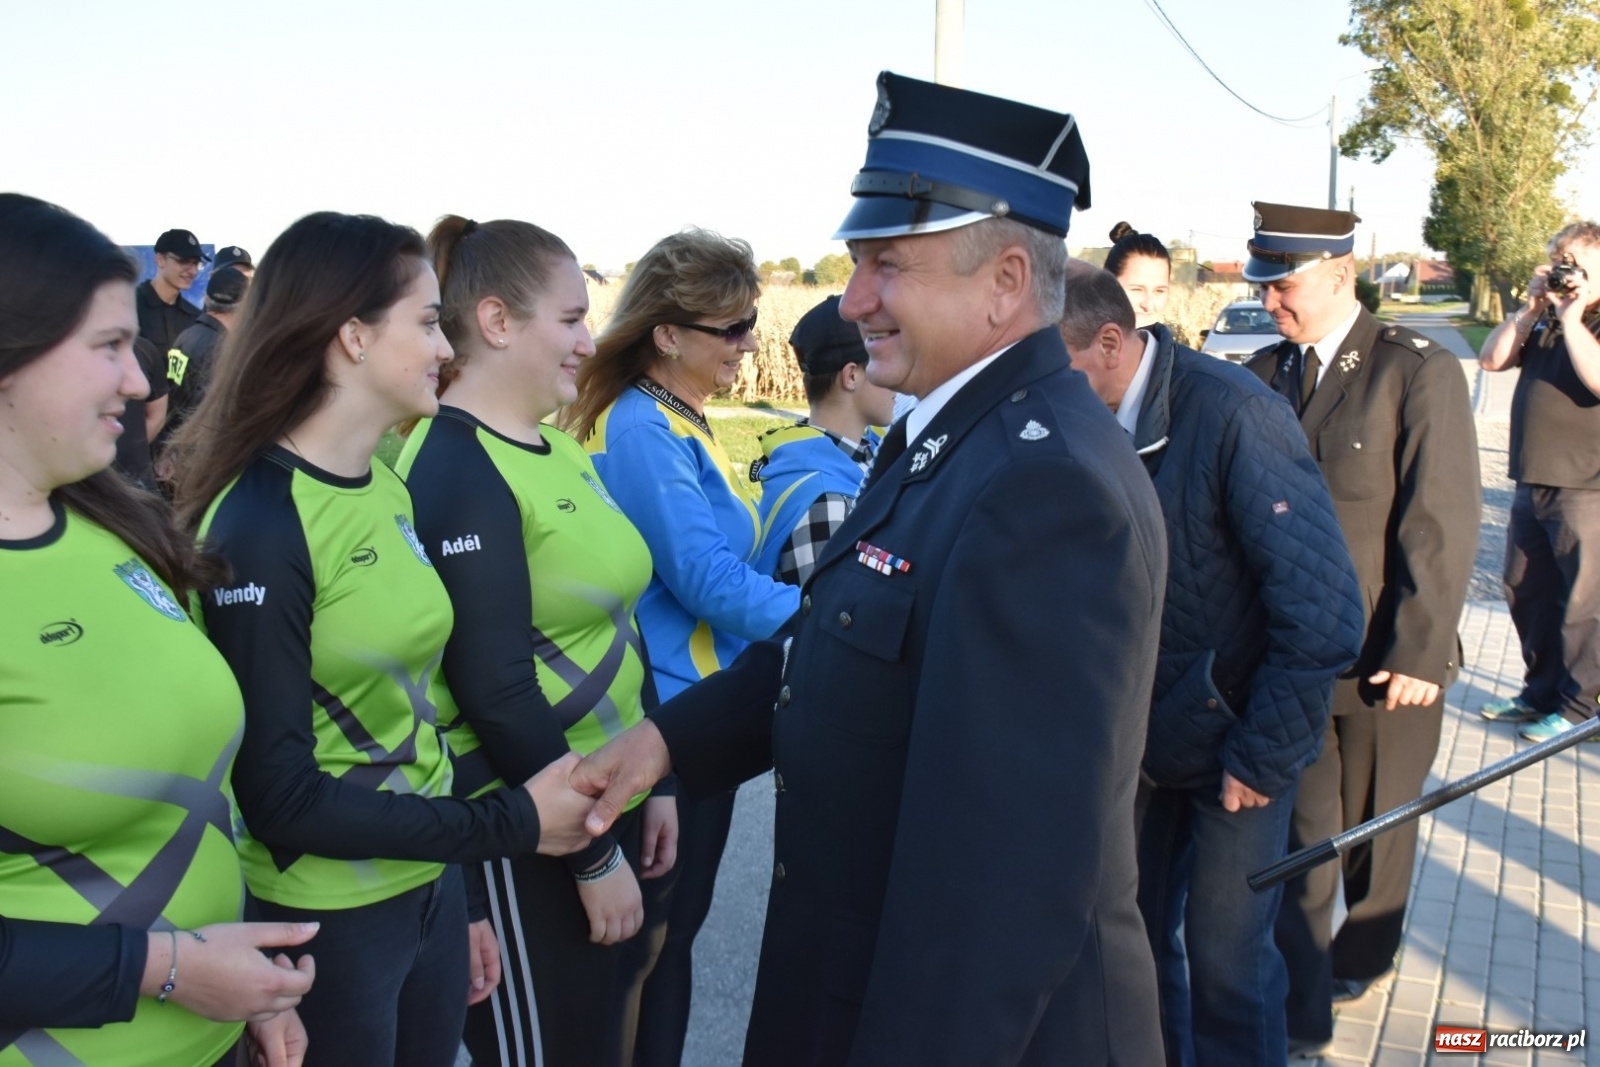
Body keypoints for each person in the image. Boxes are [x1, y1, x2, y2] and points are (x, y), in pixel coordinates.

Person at [572, 71, 1168, 1066]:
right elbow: (838, 639)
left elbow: (1006, 881)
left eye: (884, 265)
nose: (852, 301)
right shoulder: (945, 433)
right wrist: (662, 745)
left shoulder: (1044, 485)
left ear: (1006, 282)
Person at [166, 210, 597, 1067]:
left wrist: (463, 896)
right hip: (329, 918)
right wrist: (505, 825)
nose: (448, 347)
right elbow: (280, 795)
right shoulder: (258, 522)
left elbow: (420, 718)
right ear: (353, 336)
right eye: (431, 323)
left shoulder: (387, 489)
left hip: (427, 891)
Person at [0, 192, 314, 1067]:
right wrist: (168, 967)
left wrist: (245, 983)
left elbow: (196, 795)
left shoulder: (114, 526)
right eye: (108, 348)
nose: (141, 381)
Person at [1059, 259, 1363, 1067]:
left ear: (1114, 343)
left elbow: (1326, 615)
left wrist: (1260, 754)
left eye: (1058, 366)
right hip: (1139, 741)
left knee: (1229, 963)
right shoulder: (1073, 422)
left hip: (1240, 747)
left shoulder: (1237, 416)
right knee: (1133, 946)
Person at [395, 215, 678, 1067]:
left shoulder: (558, 447)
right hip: (535, 834)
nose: (590, 341)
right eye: (571, 317)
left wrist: (660, 770)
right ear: (495, 321)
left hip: (612, 798)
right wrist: (593, 856)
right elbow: (494, 689)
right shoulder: (453, 467)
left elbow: (624, 619)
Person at [1238, 202, 1480, 1056]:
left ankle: (1364, 953)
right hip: (1296, 658)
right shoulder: (1262, 373)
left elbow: (1439, 518)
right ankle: (1302, 1012)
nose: (1270, 300)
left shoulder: (1413, 369)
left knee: (1378, 833)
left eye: (1285, 282)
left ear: (1341, 274)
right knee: (1308, 840)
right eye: (1263, 283)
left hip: (1387, 658)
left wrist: (1420, 649)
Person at [562, 228, 800, 1067]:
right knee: (649, 955)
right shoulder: (642, 429)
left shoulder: (682, 420)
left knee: (672, 946)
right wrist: (824, 619)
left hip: (705, 709)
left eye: (751, 324)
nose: (747, 345)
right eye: (730, 329)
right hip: (674, 708)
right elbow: (702, 576)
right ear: (668, 334)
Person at [1477, 221, 1600, 742]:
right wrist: (1529, 311)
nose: (1564, 272)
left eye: (1575, 263)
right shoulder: (1544, 316)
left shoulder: (1585, 322)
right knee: (1525, 590)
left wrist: (1574, 317)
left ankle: (1580, 714)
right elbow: (1490, 359)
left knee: (1582, 605)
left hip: (1587, 486)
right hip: (1533, 479)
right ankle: (1540, 693)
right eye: (1558, 261)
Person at [750, 294, 895, 585]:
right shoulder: (829, 501)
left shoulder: (842, 451)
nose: (897, 378)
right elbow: (830, 617)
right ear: (851, 376)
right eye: (883, 361)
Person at [158, 265, 250, 454]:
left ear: (207, 298)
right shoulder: (220, 349)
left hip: (172, 443)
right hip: (196, 455)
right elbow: (208, 415)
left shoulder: (187, 336)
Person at [136, 228, 207, 353]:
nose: (193, 271)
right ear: (160, 260)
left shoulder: (194, 317)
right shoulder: (131, 307)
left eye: (196, 263)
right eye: (183, 261)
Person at [1105, 221, 1171, 329]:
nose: (1148, 305)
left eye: (1159, 291)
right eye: (1137, 290)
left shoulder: (1175, 346)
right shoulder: (1075, 343)